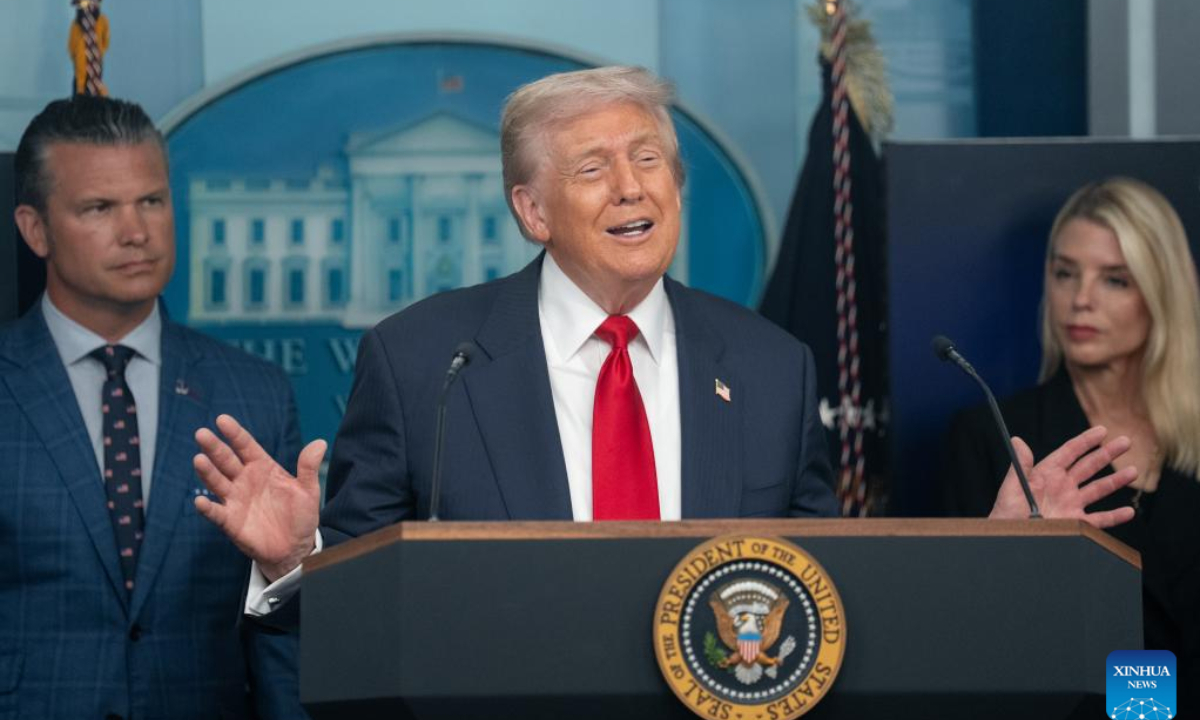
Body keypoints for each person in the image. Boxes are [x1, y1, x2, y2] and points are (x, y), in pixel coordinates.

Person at [191, 67, 1137, 609]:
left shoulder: (770, 365)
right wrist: (294, 561)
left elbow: (830, 596)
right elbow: (361, 615)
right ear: (532, 210)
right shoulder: (421, 360)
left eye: (651, 161)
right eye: (596, 168)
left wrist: (999, 554)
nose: (634, 187)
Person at [1, 96, 306, 719]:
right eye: (99, 208)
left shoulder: (254, 394)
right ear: (35, 229)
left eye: (152, 201)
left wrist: (290, 567)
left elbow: (277, 644)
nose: (136, 231)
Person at [943, 177, 1200, 700]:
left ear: (1160, 292)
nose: (1080, 300)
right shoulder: (992, 438)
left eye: (1114, 280)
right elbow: (955, 639)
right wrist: (1008, 551)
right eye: (1065, 273)